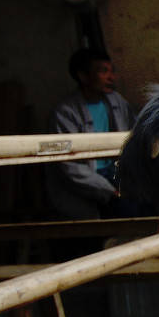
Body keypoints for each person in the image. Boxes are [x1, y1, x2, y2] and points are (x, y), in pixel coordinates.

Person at [47, 48, 137, 222]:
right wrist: (111, 192)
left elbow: (135, 136)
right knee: (122, 211)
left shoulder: (117, 101)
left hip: (118, 172)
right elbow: (69, 166)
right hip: (91, 179)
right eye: (103, 71)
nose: (112, 78)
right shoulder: (65, 113)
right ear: (83, 76)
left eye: (112, 71)